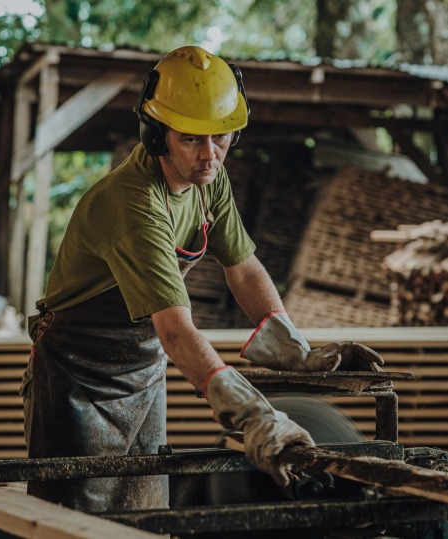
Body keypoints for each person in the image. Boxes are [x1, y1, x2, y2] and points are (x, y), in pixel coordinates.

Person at [20, 45, 383, 513]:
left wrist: (296, 350)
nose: (210, 155)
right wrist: (254, 418)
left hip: (143, 370)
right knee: (76, 521)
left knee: (145, 510)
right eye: (191, 139)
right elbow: (175, 330)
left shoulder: (209, 181)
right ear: (156, 135)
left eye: (221, 137)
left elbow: (244, 266)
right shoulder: (133, 205)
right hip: (76, 376)